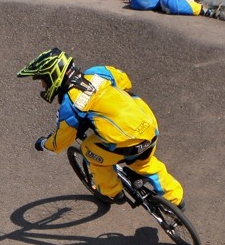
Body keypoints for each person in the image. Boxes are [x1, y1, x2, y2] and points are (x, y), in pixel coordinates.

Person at [18, 47, 186, 208]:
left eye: (43, 80)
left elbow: (60, 142)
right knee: (145, 163)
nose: (42, 86)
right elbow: (124, 81)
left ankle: (112, 192)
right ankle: (175, 198)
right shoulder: (98, 72)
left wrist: (43, 144)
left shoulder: (70, 106)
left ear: (53, 76)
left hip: (126, 143)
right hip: (149, 127)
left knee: (88, 150)